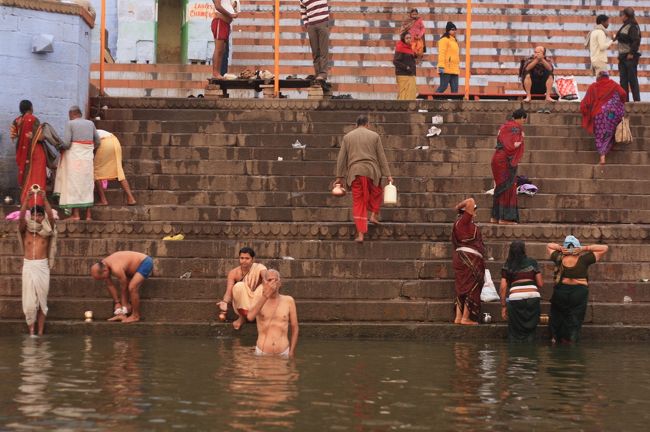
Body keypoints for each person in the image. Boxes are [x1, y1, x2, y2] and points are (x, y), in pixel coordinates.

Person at [334, 115, 393, 243]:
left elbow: (341, 159)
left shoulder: (348, 137)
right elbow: (381, 157)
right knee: (377, 192)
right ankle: (373, 215)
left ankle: (360, 235)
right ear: (367, 124)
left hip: (355, 173)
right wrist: (388, 174)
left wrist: (339, 177)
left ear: (356, 125)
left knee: (359, 202)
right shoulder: (374, 136)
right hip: (372, 172)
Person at [546, 236, 609, 344]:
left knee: (557, 316)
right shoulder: (584, 259)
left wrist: (561, 248)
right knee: (575, 317)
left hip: (561, 291)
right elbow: (605, 248)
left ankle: (555, 338)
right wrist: (584, 248)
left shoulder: (558, 257)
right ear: (577, 247)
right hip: (579, 292)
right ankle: (571, 340)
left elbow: (548, 246)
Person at [18, 188, 56, 336]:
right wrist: (27, 200)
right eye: (34, 214)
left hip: (42, 266)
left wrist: (44, 198)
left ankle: (40, 333)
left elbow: (51, 218)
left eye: (40, 215)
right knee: (29, 304)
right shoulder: (25, 229)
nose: (37, 217)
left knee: (42, 302)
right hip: (28, 266)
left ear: (42, 216)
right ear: (31, 215)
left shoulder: (47, 230)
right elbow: (21, 218)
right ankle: (32, 332)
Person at [54, 106, 100, 221]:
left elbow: (67, 144)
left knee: (74, 185)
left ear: (72, 114)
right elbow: (98, 141)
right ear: (80, 114)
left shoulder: (70, 124)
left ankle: (76, 215)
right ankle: (88, 216)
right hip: (88, 159)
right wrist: (89, 150)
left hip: (74, 159)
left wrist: (58, 146)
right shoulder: (90, 124)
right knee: (88, 185)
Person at [90, 251, 154, 323]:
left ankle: (135, 316)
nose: (104, 280)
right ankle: (122, 314)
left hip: (145, 262)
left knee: (132, 287)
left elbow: (124, 287)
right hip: (130, 268)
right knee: (127, 291)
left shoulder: (116, 268)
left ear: (105, 271)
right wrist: (117, 302)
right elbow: (110, 285)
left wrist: (124, 304)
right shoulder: (103, 265)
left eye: (102, 278)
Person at [247, 269, 299, 359]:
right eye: (269, 280)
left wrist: (291, 351)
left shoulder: (289, 300)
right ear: (264, 283)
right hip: (262, 353)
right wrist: (265, 295)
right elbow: (250, 317)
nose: (272, 283)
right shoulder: (258, 299)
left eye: (275, 280)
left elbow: (295, 327)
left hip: (284, 353)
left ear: (280, 283)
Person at [580, 70, 628, 165]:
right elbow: (623, 94)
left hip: (599, 115)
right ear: (607, 77)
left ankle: (602, 156)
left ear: (598, 78)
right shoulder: (614, 84)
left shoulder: (593, 86)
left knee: (600, 134)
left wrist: (584, 110)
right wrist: (619, 102)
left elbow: (586, 103)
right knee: (610, 130)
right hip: (612, 115)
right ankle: (607, 149)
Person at [499, 241, 543, 342]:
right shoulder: (532, 262)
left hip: (515, 298)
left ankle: (515, 354)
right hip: (533, 297)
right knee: (531, 330)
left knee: (514, 330)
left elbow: (503, 287)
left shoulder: (507, 265)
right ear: (524, 250)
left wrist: (503, 306)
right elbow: (540, 283)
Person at [452, 198, 485, 325]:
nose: (474, 213)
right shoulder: (463, 222)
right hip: (468, 259)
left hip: (462, 258)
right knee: (472, 287)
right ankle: (466, 318)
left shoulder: (461, 224)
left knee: (462, 288)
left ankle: (459, 317)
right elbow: (470, 200)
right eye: (473, 211)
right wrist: (459, 206)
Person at [216, 247, 267, 329]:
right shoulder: (234, 273)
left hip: (257, 303)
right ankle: (243, 318)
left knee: (265, 286)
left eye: (247, 258)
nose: (244, 260)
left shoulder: (259, 267)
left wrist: (268, 281)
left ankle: (259, 317)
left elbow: (266, 279)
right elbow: (229, 292)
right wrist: (225, 302)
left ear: (253, 259)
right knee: (239, 286)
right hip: (243, 304)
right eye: (242, 258)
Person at [491, 109, 527, 224]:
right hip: (506, 161)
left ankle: (495, 217)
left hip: (496, 159)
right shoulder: (516, 128)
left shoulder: (503, 127)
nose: (524, 122)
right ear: (521, 118)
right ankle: (505, 218)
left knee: (500, 187)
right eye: (524, 120)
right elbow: (513, 145)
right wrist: (522, 137)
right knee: (509, 187)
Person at [10, 100, 46, 206]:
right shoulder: (34, 119)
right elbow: (41, 137)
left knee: (26, 176)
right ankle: (36, 203)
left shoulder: (16, 121)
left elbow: (13, 135)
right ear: (30, 107)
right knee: (37, 176)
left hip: (23, 153)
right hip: (35, 152)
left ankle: (25, 203)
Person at [94, 130, 137, 206]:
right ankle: (131, 198)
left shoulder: (82, 132)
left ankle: (103, 200)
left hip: (104, 142)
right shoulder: (92, 128)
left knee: (95, 171)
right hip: (115, 141)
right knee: (118, 171)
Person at [615, 7, 641, 102]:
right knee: (623, 81)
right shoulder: (625, 26)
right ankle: (625, 102)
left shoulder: (633, 26)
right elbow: (620, 37)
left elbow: (636, 41)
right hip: (622, 57)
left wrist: (631, 53)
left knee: (632, 80)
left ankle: (636, 102)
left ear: (626, 16)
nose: (621, 17)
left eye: (622, 15)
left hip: (629, 57)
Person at [300, 0, 330, 81]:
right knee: (315, 52)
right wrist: (307, 25)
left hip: (323, 22)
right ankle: (318, 74)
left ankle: (323, 74)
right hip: (311, 26)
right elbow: (303, 12)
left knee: (323, 50)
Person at [211, 0, 238, 79]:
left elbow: (225, 6)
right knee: (218, 49)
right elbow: (218, 6)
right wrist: (231, 15)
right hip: (220, 22)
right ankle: (215, 73)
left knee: (222, 50)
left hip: (225, 23)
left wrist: (233, 8)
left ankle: (218, 72)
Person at [436, 22, 460, 93]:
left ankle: (455, 104)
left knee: (455, 90)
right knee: (443, 87)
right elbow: (441, 53)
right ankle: (433, 100)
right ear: (448, 30)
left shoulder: (455, 41)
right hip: (445, 68)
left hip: (454, 69)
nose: (454, 31)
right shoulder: (444, 40)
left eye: (455, 29)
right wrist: (441, 66)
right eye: (452, 29)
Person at [393, 32, 417, 100]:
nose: (409, 39)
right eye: (407, 38)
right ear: (403, 39)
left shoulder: (410, 47)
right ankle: (401, 110)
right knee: (403, 94)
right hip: (403, 75)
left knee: (411, 93)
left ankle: (410, 109)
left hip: (411, 74)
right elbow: (395, 61)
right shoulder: (400, 47)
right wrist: (406, 67)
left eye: (410, 38)